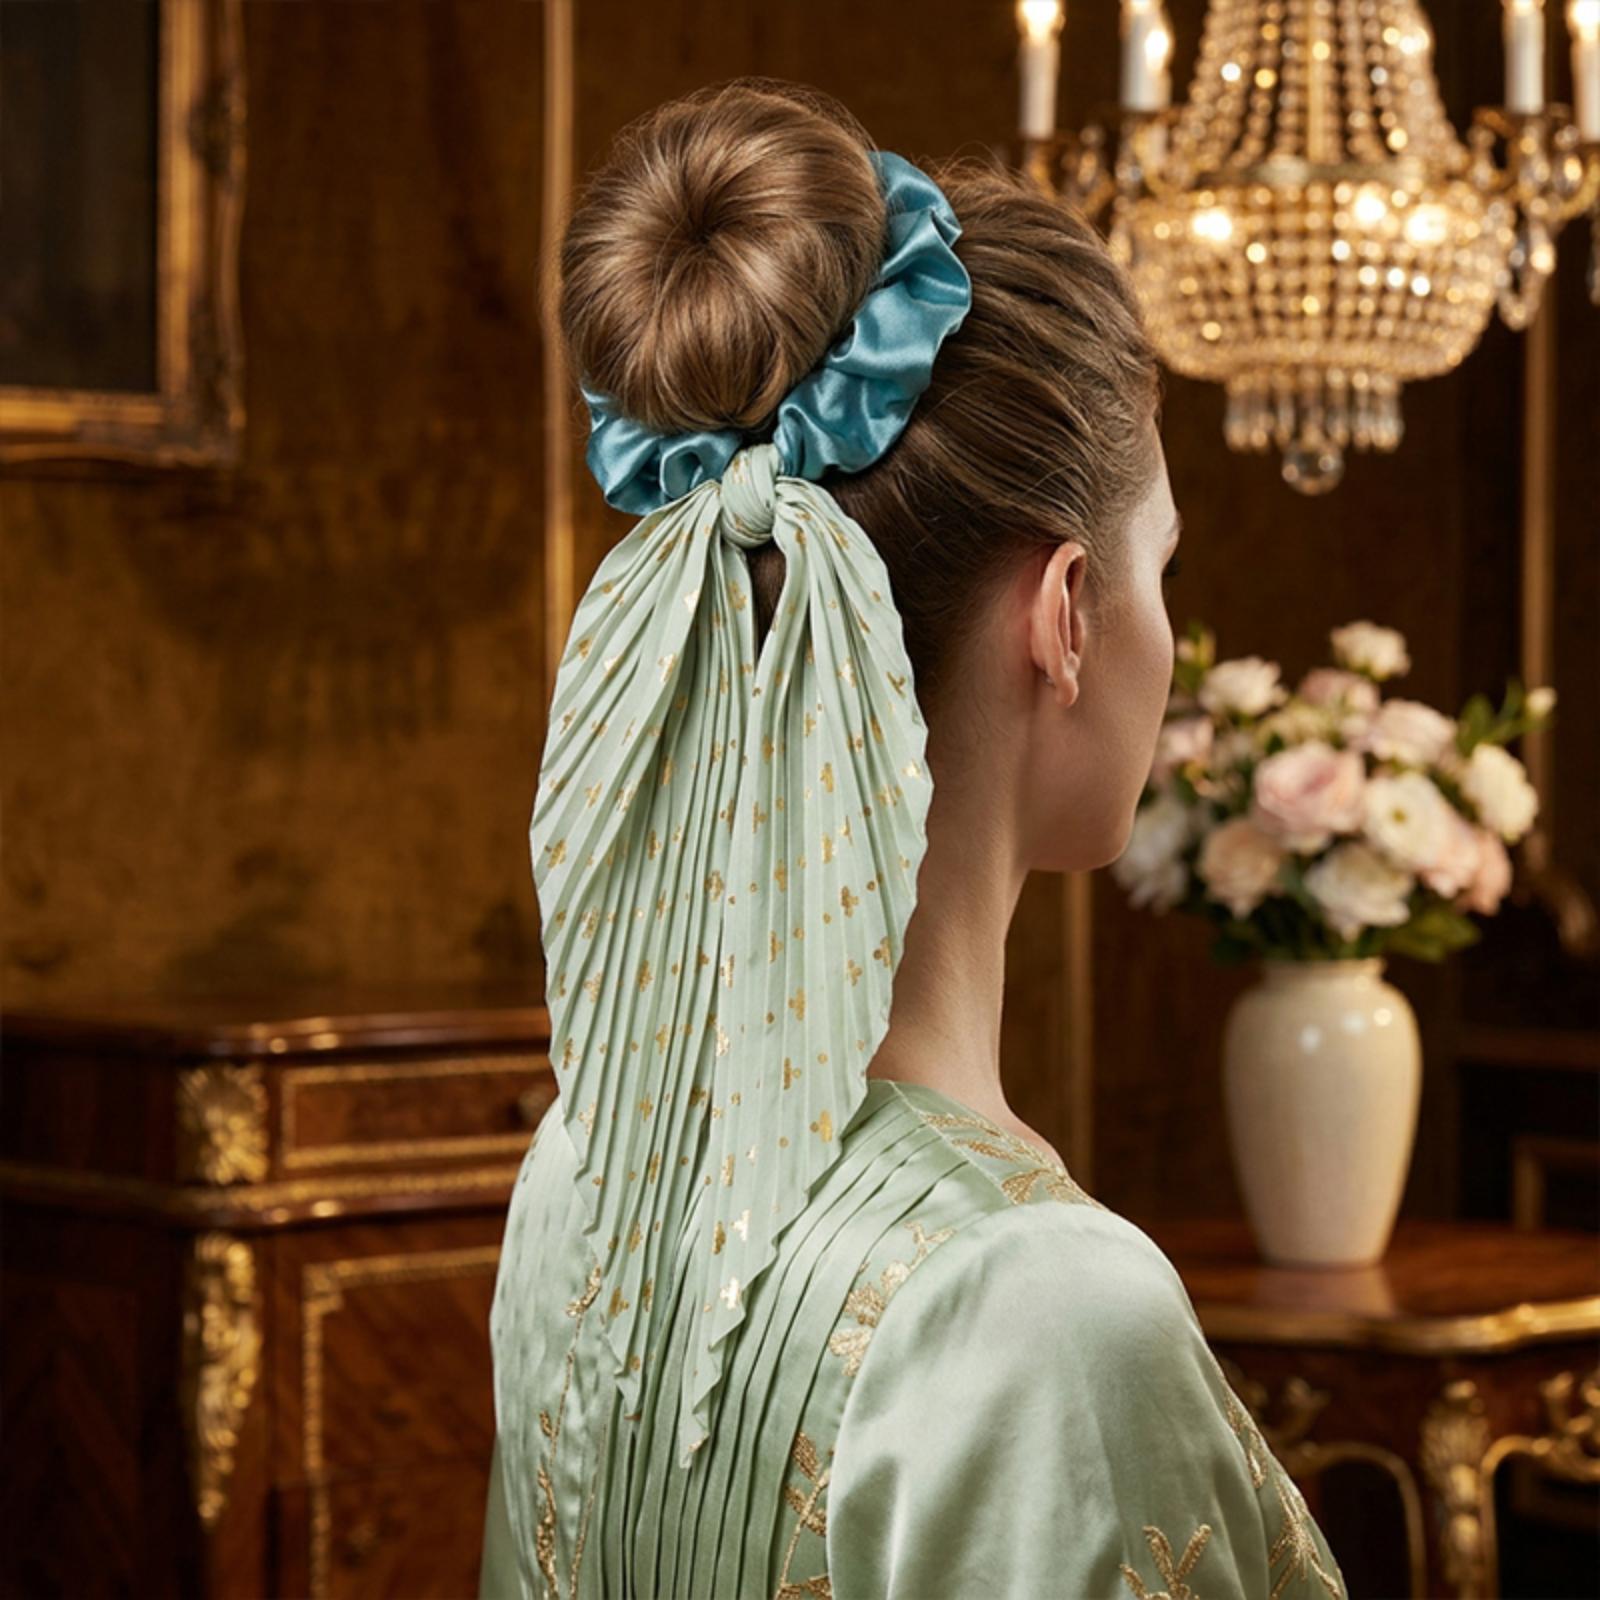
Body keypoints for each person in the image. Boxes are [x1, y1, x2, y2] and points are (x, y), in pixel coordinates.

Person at [479, 75, 1346, 1600]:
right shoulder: (1047, 1311)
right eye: (1159, 567)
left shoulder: (582, 1172)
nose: (1170, 631)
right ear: (1065, 614)